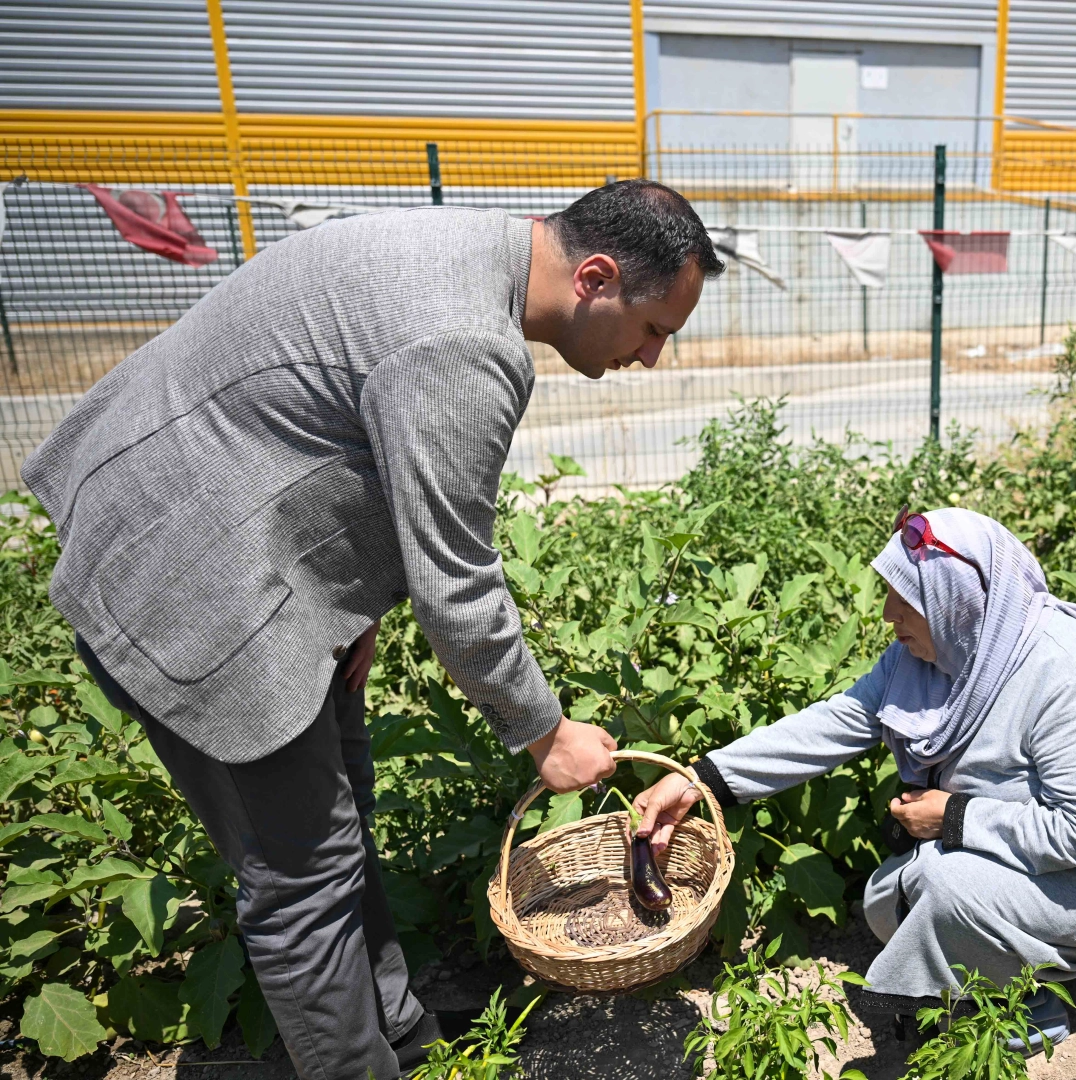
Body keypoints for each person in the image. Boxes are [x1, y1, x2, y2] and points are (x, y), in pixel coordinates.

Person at [22, 180, 725, 1080]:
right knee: (299, 885)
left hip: (205, 529)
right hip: (191, 580)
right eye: (655, 329)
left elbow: (326, 419)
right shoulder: (468, 342)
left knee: (337, 826)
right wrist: (543, 733)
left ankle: (404, 1042)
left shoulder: (463, 243)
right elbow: (459, 582)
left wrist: (345, 603)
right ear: (594, 276)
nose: (653, 357)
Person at [635, 508, 1076, 1048]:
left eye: (906, 598)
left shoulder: (1064, 671)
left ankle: (1035, 1002)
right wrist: (699, 780)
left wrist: (954, 816)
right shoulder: (936, 652)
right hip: (1017, 844)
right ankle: (1037, 948)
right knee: (889, 901)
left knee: (944, 892)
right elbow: (835, 722)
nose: (890, 614)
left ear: (955, 602)